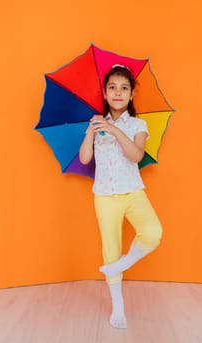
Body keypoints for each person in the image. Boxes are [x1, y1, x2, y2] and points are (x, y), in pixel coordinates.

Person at [79, 65, 162, 329]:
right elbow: (84, 159)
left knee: (152, 232)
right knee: (110, 250)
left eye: (124, 88)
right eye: (112, 88)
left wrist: (114, 130)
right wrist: (92, 131)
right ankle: (118, 307)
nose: (118, 92)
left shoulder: (138, 124)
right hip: (104, 196)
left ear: (131, 94)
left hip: (132, 192)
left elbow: (136, 155)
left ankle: (122, 264)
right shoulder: (95, 123)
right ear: (104, 93)